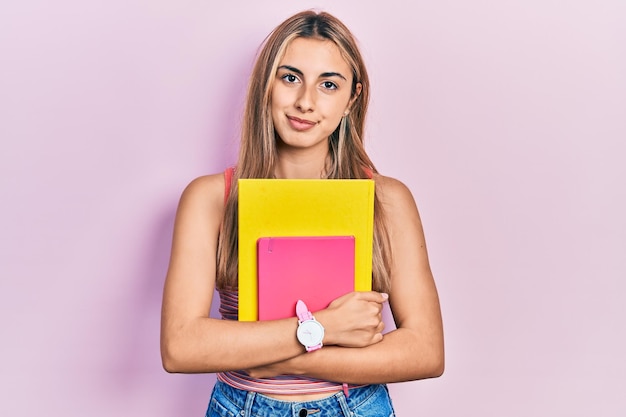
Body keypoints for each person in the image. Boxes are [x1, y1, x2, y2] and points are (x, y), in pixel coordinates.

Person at [160, 10, 444, 417]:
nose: (305, 102)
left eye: (328, 84)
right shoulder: (210, 199)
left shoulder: (387, 200)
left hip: (356, 406)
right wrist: (324, 329)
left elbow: (425, 351)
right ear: (266, 86)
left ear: (352, 99)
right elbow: (180, 345)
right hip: (242, 407)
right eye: (290, 78)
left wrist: (271, 356)